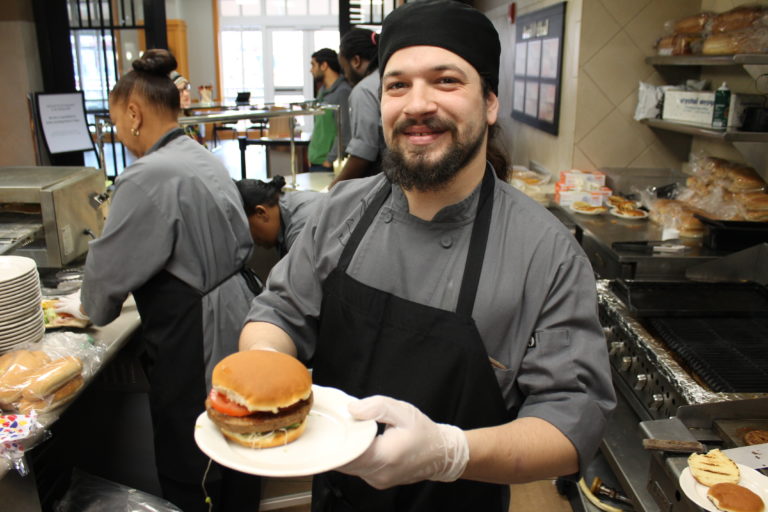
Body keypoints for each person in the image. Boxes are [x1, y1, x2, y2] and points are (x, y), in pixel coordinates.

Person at [239, 1, 616, 511]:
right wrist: (262, 364)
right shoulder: (339, 212)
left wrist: (449, 452)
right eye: (397, 85)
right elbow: (279, 312)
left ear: (488, 103)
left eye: (445, 81)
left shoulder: (546, 252)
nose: (417, 104)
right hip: (336, 499)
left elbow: (573, 422)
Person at [75, 49, 262, 512]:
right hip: (236, 311)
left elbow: (101, 291)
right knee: (236, 445)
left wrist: (88, 302)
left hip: (194, 332)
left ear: (134, 114)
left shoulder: (146, 176)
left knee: (193, 462)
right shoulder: (199, 153)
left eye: (118, 123)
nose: (120, 133)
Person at [330, 27, 387, 188]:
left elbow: (364, 153)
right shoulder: (388, 77)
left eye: (344, 69)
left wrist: (333, 189)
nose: (345, 76)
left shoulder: (364, 90)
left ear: (356, 61)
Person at [236, 175, 324, 256]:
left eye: (247, 230)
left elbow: (301, 272)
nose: (252, 240)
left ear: (261, 213)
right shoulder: (285, 204)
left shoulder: (300, 229)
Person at [308, 49, 351, 172]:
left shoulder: (343, 91)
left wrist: (330, 160)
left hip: (327, 164)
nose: (311, 70)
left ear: (324, 65)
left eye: (313, 65)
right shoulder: (322, 92)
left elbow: (345, 131)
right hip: (316, 161)